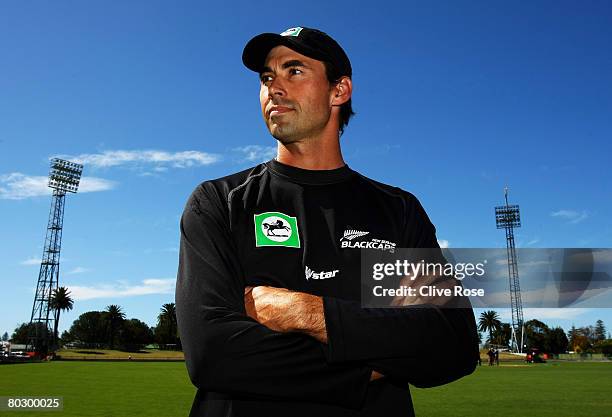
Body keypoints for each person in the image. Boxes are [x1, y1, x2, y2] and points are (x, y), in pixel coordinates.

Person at [176, 26, 479, 417]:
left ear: (339, 90)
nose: (274, 88)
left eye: (294, 71)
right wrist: (377, 361)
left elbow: (452, 344)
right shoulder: (220, 201)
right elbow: (212, 353)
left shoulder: (397, 210)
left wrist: (309, 312)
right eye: (267, 77)